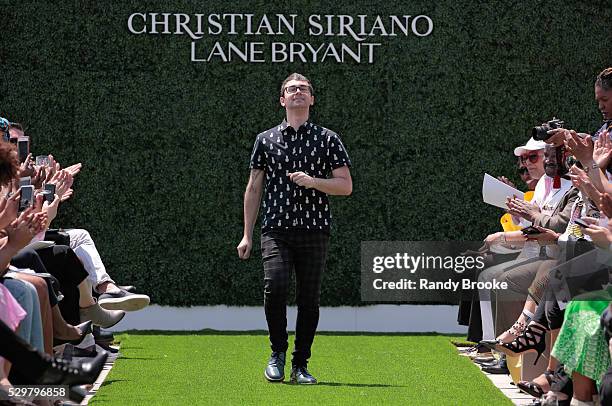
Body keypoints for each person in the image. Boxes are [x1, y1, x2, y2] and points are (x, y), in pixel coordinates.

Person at [237, 73, 352, 384]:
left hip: (315, 229)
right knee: (274, 288)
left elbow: (345, 186)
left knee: (309, 299)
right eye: (291, 89)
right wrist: (247, 233)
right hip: (275, 229)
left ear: (312, 99)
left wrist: (314, 182)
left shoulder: (328, 139)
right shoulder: (266, 139)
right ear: (282, 99)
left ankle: (300, 364)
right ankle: (277, 353)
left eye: (303, 89)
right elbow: (253, 188)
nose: (298, 92)